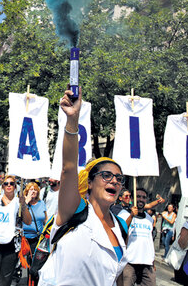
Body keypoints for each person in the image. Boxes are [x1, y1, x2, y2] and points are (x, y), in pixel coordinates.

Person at [39, 87, 128, 286]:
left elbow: (117, 276)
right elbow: (69, 168)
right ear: (89, 182)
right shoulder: (75, 209)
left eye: (119, 179)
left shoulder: (121, 226)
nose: (114, 181)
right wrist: (72, 121)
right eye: (106, 176)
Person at [0, 175, 32, 286]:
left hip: (11, 245)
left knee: (5, 280)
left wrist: (24, 206)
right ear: (2, 186)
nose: (9, 185)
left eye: (11, 183)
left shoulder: (19, 202)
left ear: (15, 186)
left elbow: (28, 221)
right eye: (6, 183)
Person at [119, 188, 156, 286]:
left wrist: (153, 261)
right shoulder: (124, 214)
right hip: (129, 262)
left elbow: (149, 241)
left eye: (143, 197)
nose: (141, 199)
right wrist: (131, 215)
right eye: (138, 196)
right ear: (132, 198)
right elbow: (120, 231)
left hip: (147, 263)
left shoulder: (149, 219)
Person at [23, 182, 47, 285]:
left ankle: (34, 282)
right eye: (31, 189)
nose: (34, 191)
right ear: (27, 191)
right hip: (25, 238)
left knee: (36, 265)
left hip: (38, 238)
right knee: (25, 264)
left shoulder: (41, 203)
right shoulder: (23, 203)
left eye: (35, 189)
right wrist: (25, 202)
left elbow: (45, 219)